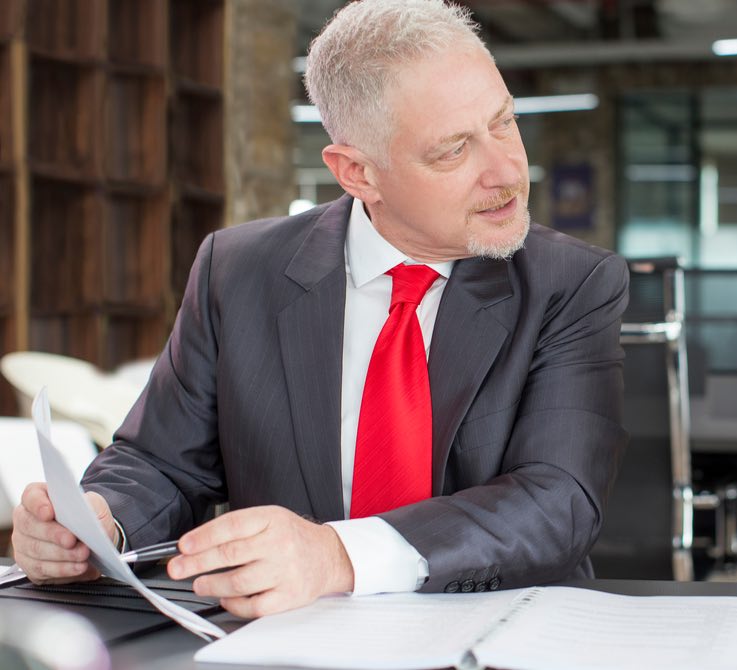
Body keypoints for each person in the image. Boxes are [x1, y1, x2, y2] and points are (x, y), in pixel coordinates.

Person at [12, 0, 628, 619]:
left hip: (499, 631)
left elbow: (558, 500)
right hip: (288, 642)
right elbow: (162, 462)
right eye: (453, 151)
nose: (507, 169)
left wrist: (337, 555)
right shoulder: (238, 269)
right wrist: (98, 525)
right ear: (357, 172)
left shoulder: (570, 283)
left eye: (504, 123)